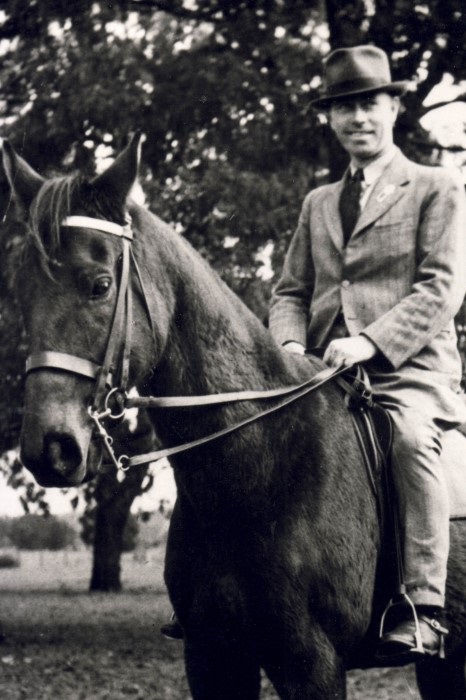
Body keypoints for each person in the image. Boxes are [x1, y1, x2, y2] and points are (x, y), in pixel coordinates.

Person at [269, 44, 466, 661]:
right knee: (246, 442)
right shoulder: (317, 203)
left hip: (410, 375)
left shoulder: (436, 187)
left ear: (393, 108)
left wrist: (370, 343)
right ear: (329, 118)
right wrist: (290, 345)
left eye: (369, 104)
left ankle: (424, 606)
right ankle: (213, 595)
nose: (358, 118)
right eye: (344, 107)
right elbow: (290, 291)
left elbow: (442, 288)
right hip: (322, 375)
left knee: (409, 441)